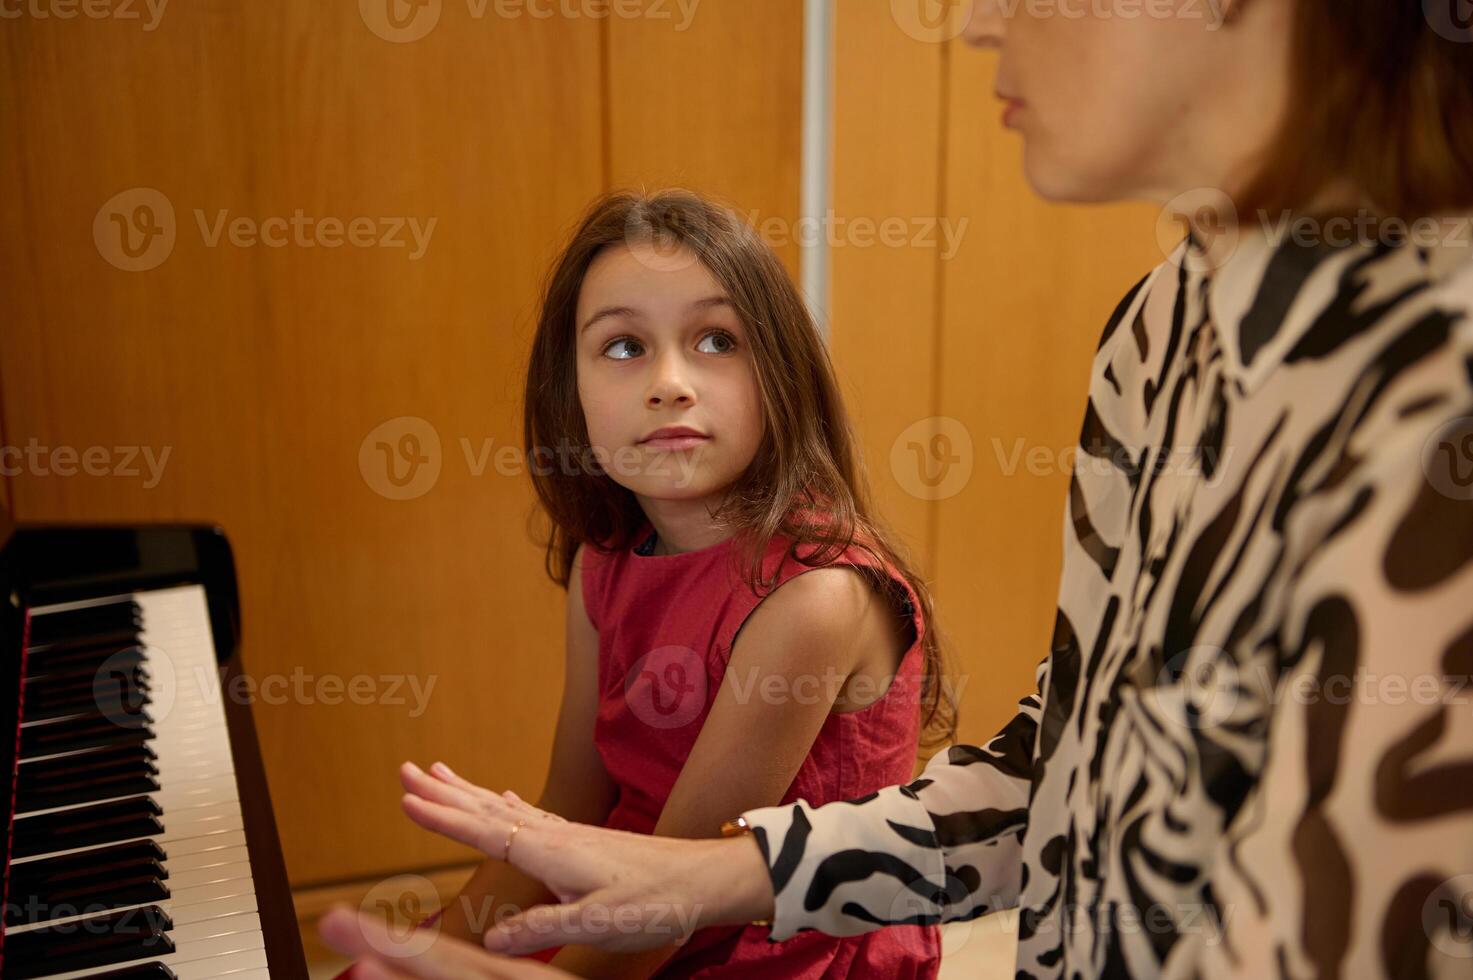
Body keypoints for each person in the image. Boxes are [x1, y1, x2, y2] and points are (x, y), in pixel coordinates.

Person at [323, 1, 1473, 976]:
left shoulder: (1438, 391)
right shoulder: (1161, 325)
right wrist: (705, 874)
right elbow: (1066, 769)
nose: (972, 20)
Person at [342, 189, 954, 979]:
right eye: (623, 348)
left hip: (762, 946)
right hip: (616, 896)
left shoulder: (814, 600)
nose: (668, 382)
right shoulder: (605, 560)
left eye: (715, 339)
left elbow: (673, 901)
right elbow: (566, 810)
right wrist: (434, 955)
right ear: (571, 396)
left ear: (781, 373)